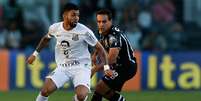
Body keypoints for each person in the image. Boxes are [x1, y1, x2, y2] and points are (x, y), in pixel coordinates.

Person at [27, 3, 109, 101]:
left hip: (82, 67)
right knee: (45, 90)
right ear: (65, 15)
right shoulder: (55, 28)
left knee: (81, 96)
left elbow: (101, 49)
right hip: (63, 67)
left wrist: (106, 67)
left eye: (78, 15)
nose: (76, 18)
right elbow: (46, 39)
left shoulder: (84, 31)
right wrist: (34, 54)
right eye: (73, 15)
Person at [91, 9, 138, 101]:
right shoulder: (102, 31)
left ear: (110, 21)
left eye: (104, 21)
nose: (101, 24)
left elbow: (111, 59)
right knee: (100, 89)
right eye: (99, 22)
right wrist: (95, 54)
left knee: (100, 87)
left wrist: (95, 69)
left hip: (126, 67)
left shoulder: (114, 36)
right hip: (118, 66)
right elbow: (101, 42)